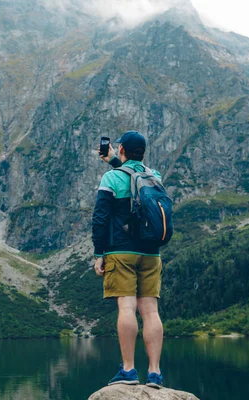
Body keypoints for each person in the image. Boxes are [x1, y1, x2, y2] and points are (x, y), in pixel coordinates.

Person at [93, 130, 164, 388]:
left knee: (126, 307)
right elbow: (133, 175)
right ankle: (155, 373)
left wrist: (99, 253)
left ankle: (129, 370)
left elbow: (100, 218)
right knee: (151, 311)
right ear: (142, 152)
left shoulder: (111, 178)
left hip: (121, 252)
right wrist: (113, 159)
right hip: (151, 253)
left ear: (121, 149)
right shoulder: (154, 176)